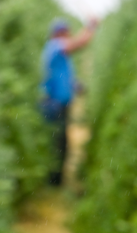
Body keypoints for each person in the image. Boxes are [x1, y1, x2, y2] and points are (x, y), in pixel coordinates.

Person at [41, 17, 98, 186]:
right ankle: (54, 181)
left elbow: (61, 75)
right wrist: (91, 26)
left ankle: (57, 180)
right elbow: (79, 43)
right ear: (60, 33)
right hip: (55, 104)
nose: (69, 36)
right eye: (67, 33)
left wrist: (75, 85)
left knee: (61, 141)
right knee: (58, 142)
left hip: (60, 103)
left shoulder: (58, 52)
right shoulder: (55, 46)